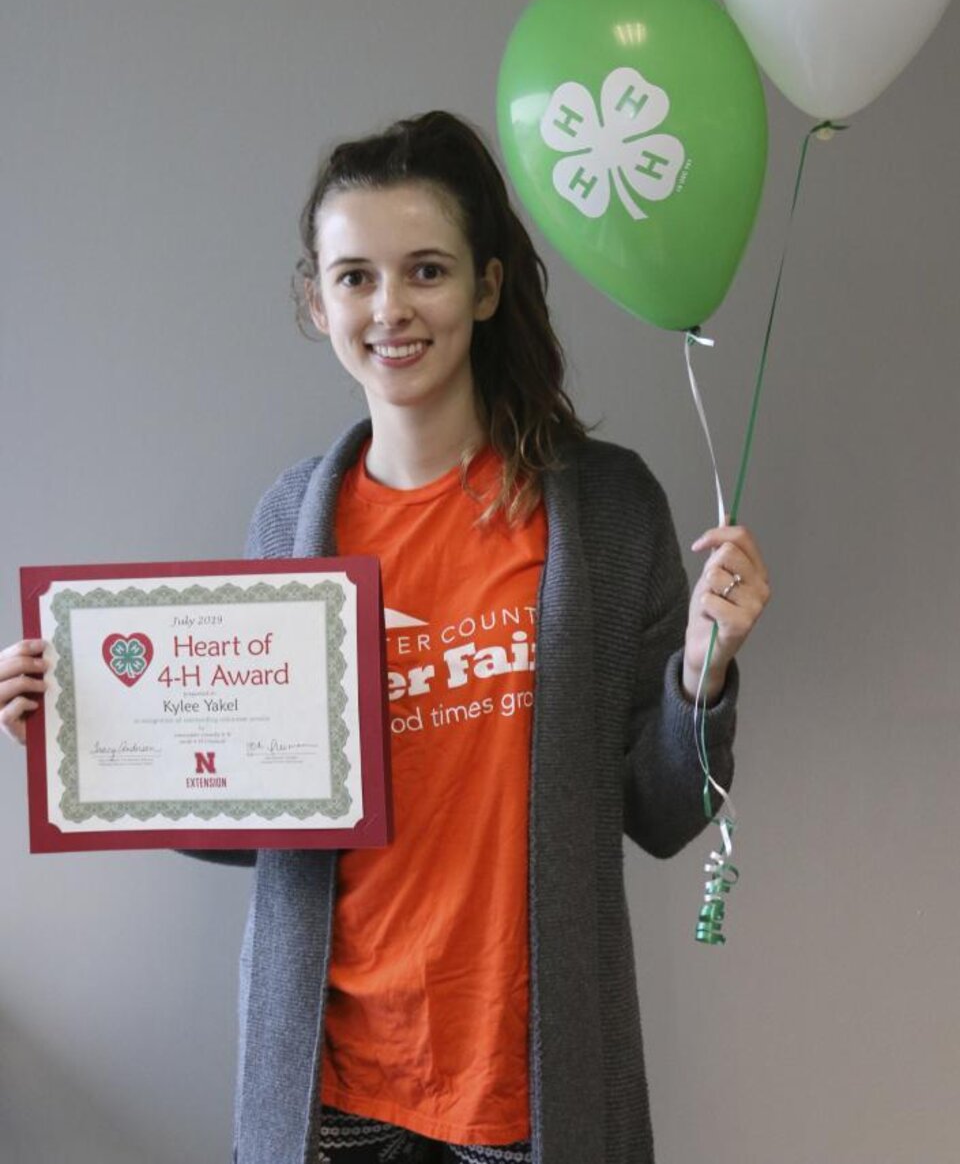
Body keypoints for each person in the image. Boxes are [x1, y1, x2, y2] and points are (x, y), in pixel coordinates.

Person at [1, 110, 771, 1164]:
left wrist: (703, 677)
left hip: (526, 1085)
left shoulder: (606, 509)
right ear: (317, 304)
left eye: (426, 271)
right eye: (356, 277)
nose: (391, 308)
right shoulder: (290, 526)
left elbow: (664, 811)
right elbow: (255, 810)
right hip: (333, 1088)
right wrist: (89, 737)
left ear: (487, 288)